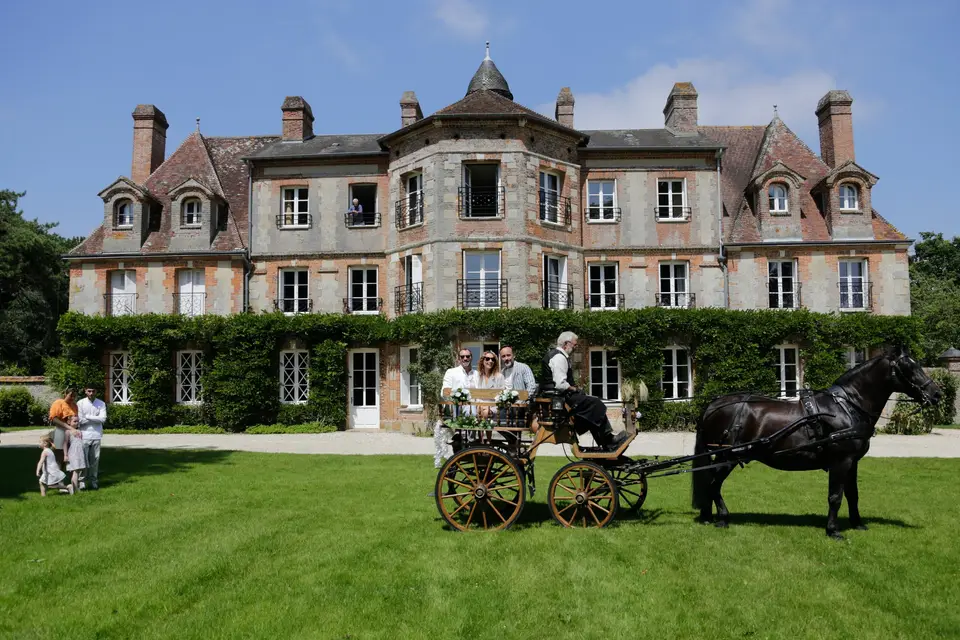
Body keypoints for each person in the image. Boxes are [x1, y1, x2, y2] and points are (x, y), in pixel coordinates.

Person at [541, 331, 628, 451]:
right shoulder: (559, 357)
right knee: (596, 403)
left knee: (592, 407)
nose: (576, 347)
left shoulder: (557, 355)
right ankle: (608, 440)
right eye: (574, 344)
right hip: (560, 399)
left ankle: (607, 441)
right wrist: (574, 388)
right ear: (566, 344)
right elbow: (560, 384)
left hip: (560, 397)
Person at [435, 348, 480, 468]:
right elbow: (444, 392)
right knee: (466, 406)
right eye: (462, 357)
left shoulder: (476, 374)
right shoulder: (451, 372)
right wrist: (459, 396)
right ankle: (462, 437)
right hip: (456, 407)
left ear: (471, 358)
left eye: (467, 356)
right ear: (458, 359)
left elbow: (480, 393)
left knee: (472, 407)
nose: (465, 358)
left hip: (474, 407)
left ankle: (470, 439)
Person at [76, 387, 107, 490]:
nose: (91, 393)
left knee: (95, 460)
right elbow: (80, 420)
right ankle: (82, 481)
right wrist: (96, 418)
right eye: (89, 391)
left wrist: (88, 416)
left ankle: (94, 481)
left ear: (96, 392)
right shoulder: (80, 403)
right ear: (85, 391)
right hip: (84, 435)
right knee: (83, 460)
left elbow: (103, 419)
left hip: (97, 435)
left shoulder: (101, 403)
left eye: (93, 391)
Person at [48, 388, 79, 467]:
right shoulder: (58, 403)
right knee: (59, 456)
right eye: (71, 395)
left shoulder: (74, 405)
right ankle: (55, 472)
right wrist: (68, 427)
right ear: (65, 394)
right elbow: (54, 419)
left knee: (69, 455)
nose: (72, 398)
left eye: (74, 396)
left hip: (71, 433)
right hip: (60, 431)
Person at [476, 351, 506, 419]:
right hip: (480, 405)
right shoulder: (478, 376)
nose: (490, 361)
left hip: (494, 406)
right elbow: (476, 394)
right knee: (478, 412)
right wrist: (480, 405)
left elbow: (501, 396)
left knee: (486, 413)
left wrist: (488, 406)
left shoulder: (499, 377)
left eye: (493, 359)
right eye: (487, 359)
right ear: (482, 361)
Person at [63, 415, 86, 493]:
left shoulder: (79, 431)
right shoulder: (68, 432)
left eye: (77, 421)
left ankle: (75, 487)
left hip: (80, 454)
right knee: (75, 471)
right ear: (69, 422)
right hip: (74, 453)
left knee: (78, 470)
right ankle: (75, 488)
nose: (76, 423)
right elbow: (65, 443)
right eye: (74, 421)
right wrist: (65, 455)